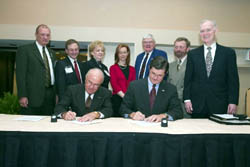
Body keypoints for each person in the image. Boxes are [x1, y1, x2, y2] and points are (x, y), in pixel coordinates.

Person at [184, 19, 239, 118]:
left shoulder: (228, 53)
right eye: (202, 31)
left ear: (215, 31)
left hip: (220, 104)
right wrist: (187, 99)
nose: (205, 33)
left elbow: (233, 80)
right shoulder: (192, 54)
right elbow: (188, 79)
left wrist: (233, 101)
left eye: (208, 30)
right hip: (197, 105)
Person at [120, 56, 183, 122]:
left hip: (160, 129)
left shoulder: (170, 89)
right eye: (153, 73)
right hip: (138, 127)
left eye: (160, 75)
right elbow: (123, 108)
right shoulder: (134, 86)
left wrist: (163, 116)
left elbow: (178, 111)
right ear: (149, 69)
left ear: (165, 74)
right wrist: (132, 114)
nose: (155, 78)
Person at [16, 24, 56, 115]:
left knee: (47, 125)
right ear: (36, 35)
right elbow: (20, 75)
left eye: (48, 35)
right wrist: (22, 95)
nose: (45, 37)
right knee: (30, 126)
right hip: (32, 97)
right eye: (42, 34)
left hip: (50, 96)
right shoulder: (25, 50)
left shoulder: (52, 53)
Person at [110, 44, 136, 116]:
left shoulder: (132, 69)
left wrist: (129, 98)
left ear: (128, 53)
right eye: (120, 52)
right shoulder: (113, 68)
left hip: (129, 100)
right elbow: (114, 84)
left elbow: (133, 85)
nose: (122, 55)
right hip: (117, 99)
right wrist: (124, 96)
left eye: (124, 52)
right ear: (117, 54)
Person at [168, 37, 191, 118]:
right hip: (171, 106)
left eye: (181, 47)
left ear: (187, 49)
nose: (178, 49)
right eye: (176, 47)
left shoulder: (192, 64)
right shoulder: (170, 65)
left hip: (186, 106)